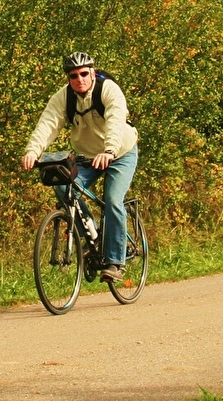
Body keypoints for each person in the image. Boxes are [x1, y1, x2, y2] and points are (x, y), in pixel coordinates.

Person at [21, 52, 139, 281]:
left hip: (120, 152)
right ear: (68, 78)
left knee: (113, 200)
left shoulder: (108, 89)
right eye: (73, 76)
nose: (79, 79)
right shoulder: (63, 98)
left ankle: (115, 261)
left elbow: (115, 120)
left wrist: (110, 151)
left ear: (93, 73)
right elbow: (47, 124)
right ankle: (93, 235)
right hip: (88, 156)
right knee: (64, 188)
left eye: (84, 74)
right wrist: (32, 151)